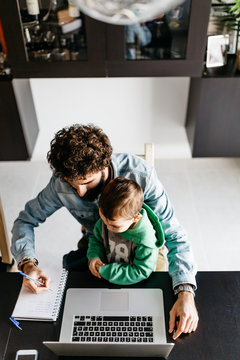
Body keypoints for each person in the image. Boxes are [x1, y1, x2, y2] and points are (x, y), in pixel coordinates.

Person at [11, 123, 198, 340]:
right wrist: (27, 264)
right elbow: (25, 220)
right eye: (72, 184)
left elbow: (174, 235)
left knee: (149, 314)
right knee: (74, 317)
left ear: (104, 166)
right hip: (96, 242)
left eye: (87, 182)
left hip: (142, 250)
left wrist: (185, 292)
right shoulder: (60, 184)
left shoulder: (141, 175)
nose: (79, 192)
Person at [88, 176, 164, 285]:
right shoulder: (108, 220)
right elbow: (96, 240)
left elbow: (141, 271)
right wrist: (94, 257)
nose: (108, 228)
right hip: (108, 271)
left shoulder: (146, 241)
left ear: (136, 218)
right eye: (104, 221)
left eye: (115, 226)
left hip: (139, 281)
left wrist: (107, 271)